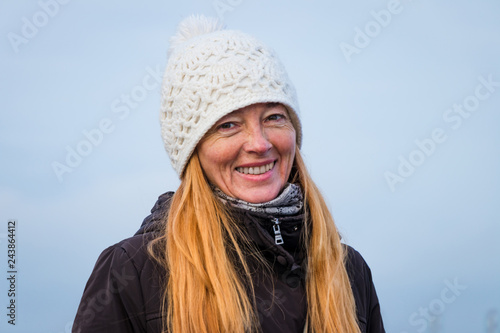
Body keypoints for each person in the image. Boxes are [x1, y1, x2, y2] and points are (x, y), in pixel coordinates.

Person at [73, 15, 385, 333]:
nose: (259, 144)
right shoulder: (134, 272)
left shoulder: (349, 271)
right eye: (228, 125)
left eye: (274, 117)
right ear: (193, 150)